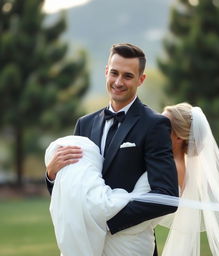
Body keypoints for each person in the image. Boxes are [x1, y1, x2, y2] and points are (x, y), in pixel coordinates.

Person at [45, 43, 179, 255]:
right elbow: (72, 190)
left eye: (127, 76)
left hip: (129, 245)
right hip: (87, 245)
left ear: (140, 79)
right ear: (106, 71)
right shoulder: (85, 124)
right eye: (114, 73)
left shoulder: (154, 125)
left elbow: (167, 197)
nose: (118, 82)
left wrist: (109, 221)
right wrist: (52, 175)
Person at [160, 103, 219, 256]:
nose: (155, 129)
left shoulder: (174, 168)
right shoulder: (175, 163)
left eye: (162, 126)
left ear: (178, 136)